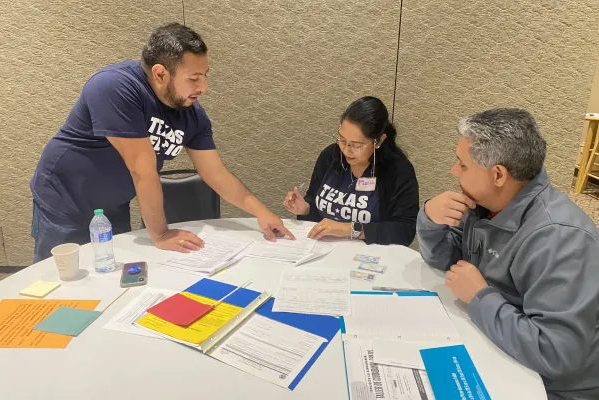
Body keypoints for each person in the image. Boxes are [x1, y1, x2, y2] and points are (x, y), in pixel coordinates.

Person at [30, 22, 294, 263]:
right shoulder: (115, 87)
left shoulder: (193, 115)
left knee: (109, 272)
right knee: (62, 278)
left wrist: (262, 212)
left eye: (205, 75)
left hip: (112, 206)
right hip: (65, 199)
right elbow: (141, 170)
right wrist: (161, 234)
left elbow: (216, 174)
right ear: (160, 74)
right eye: (193, 78)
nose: (203, 87)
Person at [417, 108, 599, 399]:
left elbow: (557, 354)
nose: (454, 170)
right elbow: (446, 263)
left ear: (498, 174)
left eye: (462, 165)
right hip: (497, 348)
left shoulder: (561, 238)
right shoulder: (486, 203)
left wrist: (480, 297)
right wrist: (429, 219)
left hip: (549, 386)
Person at [284, 96, 419, 245]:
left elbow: (405, 230)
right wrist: (305, 209)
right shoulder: (330, 157)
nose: (346, 150)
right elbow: (318, 213)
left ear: (379, 141)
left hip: (369, 258)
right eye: (342, 140)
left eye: (356, 145)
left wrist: (351, 229)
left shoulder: (398, 170)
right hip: (324, 252)